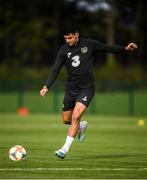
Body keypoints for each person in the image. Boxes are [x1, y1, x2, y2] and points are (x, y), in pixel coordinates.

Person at [40, 24, 138, 159]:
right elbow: (55, 68)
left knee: (75, 116)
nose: (67, 40)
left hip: (86, 88)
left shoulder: (89, 44)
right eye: (65, 38)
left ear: (77, 35)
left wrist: (125, 48)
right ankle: (81, 126)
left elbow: (107, 48)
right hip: (70, 89)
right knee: (66, 120)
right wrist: (47, 86)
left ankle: (64, 149)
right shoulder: (63, 50)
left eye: (70, 38)